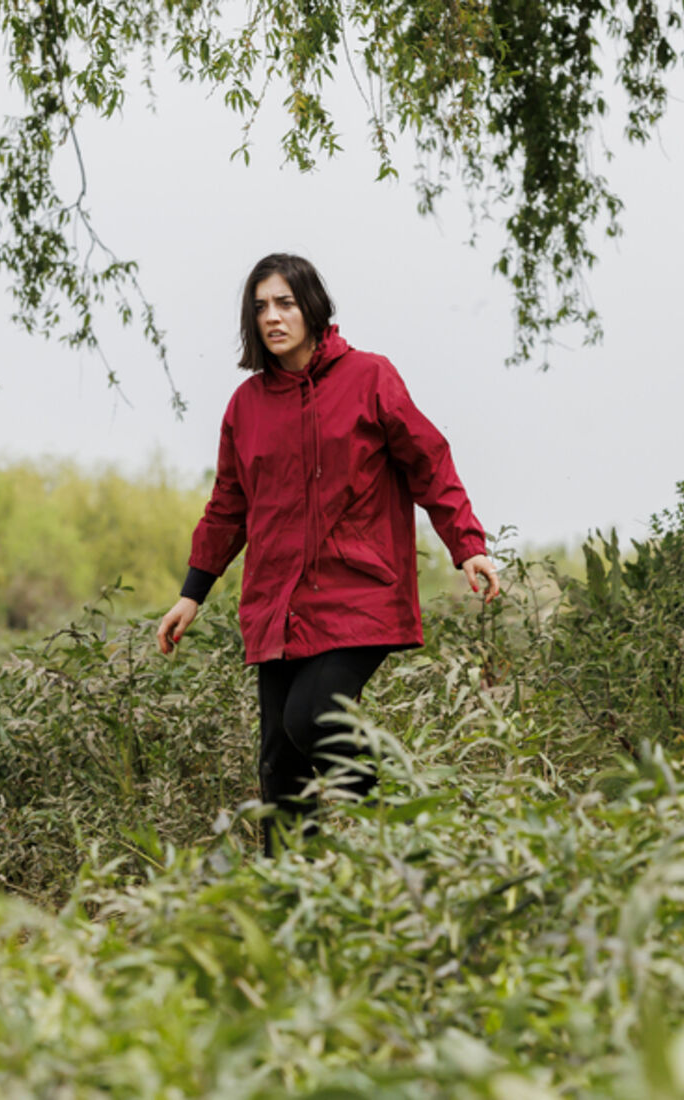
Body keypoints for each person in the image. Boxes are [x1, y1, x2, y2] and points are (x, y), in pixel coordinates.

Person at [157, 253, 499, 853]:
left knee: (312, 718)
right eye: (260, 307)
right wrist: (192, 592)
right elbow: (227, 508)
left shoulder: (370, 378)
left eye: (285, 303)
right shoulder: (246, 406)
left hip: (359, 591)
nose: (272, 317)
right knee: (279, 771)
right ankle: (291, 905)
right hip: (277, 603)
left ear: (313, 307)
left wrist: (467, 544)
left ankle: (408, 840)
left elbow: (429, 460)